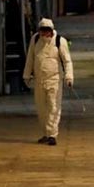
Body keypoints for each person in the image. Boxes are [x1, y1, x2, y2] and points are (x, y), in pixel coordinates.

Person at [23, 18, 74, 146]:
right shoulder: (35, 40)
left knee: (53, 107)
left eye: (46, 31)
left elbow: (67, 61)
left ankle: (52, 134)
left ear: (51, 31)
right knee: (41, 108)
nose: (44, 34)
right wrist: (26, 75)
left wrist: (69, 77)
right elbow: (30, 57)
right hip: (39, 80)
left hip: (54, 80)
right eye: (42, 31)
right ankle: (46, 133)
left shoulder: (59, 41)